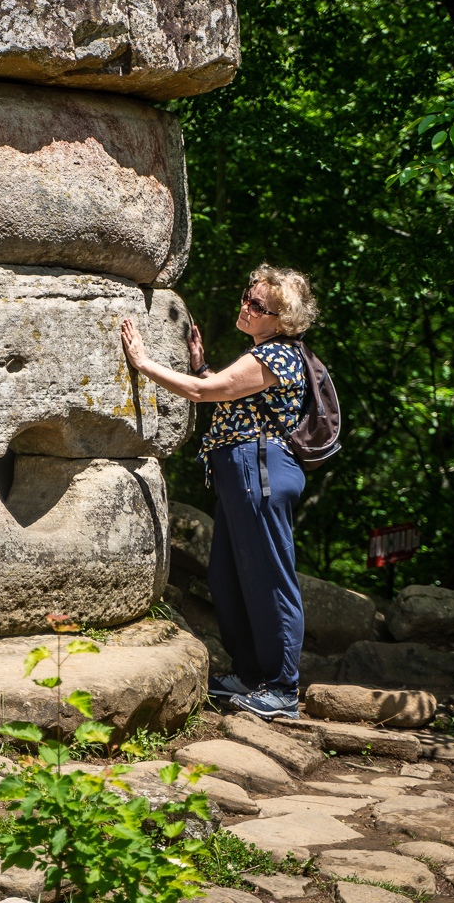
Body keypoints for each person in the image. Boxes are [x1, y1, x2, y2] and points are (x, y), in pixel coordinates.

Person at [119, 263, 317, 720]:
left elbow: (204, 394)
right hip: (241, 474)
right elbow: (229, 396)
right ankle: (250, 674)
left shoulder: (278, 355)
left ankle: (283, 688)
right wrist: (202, 365)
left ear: (281, 320)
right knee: (228, 578)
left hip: (261, 473)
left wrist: (143, 363)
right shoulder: (260, 354)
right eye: (247, 296)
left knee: (270, 580)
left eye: (257, 305)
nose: (245, 306)